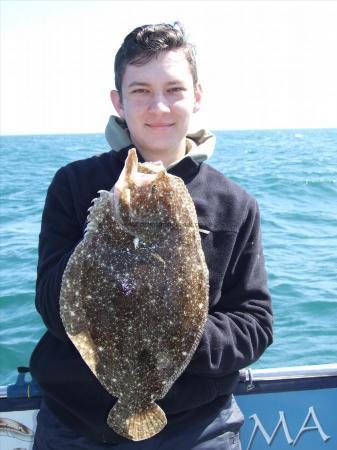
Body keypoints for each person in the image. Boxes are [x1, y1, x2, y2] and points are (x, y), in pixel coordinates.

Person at [30, 22, 273, 449]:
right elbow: (51, 303)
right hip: (74, 424)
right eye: (140, 90)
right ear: (118, 101)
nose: (158, 106)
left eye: (174, 89)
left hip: (197, 428)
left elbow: (253, 323)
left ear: (196, 96)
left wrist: (173, 336)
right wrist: (100, 241)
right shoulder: (73, 183)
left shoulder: (235, 204)